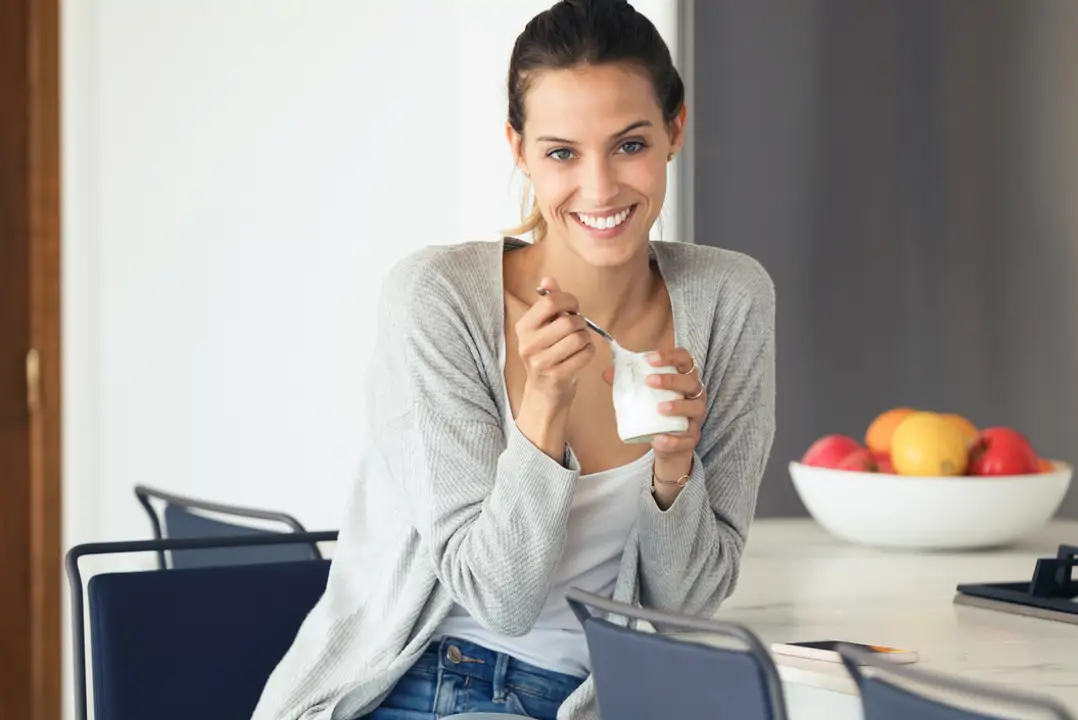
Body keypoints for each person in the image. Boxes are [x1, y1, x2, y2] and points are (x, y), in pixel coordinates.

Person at [251, 0, 775, 718]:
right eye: (562, 152)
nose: (599, 188)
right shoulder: (438, 300)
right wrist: (542, 411)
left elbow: (687, 603)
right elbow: (501, 600)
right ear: (519, 150)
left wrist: (675, 471)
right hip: (432, 680)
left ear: (674, 131)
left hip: (599, 698)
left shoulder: (729, 299)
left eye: (629, 145)